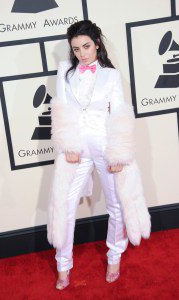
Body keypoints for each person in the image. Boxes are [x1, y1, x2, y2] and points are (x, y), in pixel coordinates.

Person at [47, 20, 151, 290]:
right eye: (76, 49)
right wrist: (69, 145)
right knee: (65, 206)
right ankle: (63, 264)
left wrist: (118, 153)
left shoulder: (111, 75)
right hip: (76, 147)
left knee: (116, 205)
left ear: (97, 44)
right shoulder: (65, 73)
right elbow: (61, 109)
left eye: (86, 46)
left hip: (105, 145)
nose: (82, 53)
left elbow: (118, 113)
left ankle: (114, 256)